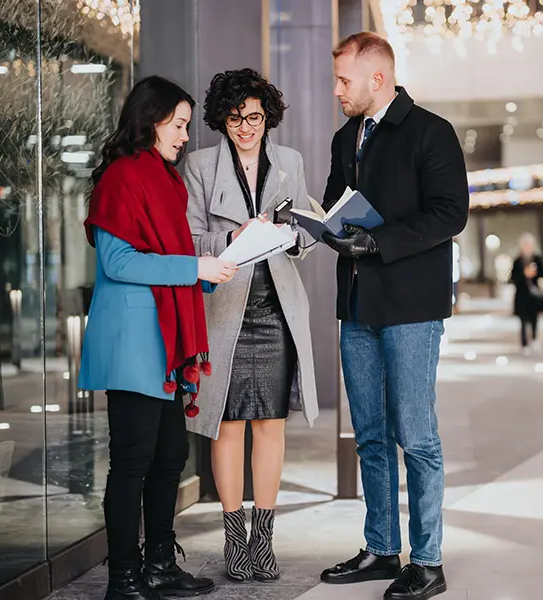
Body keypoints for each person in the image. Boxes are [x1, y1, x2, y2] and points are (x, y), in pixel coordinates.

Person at [319, 32, 470, 600]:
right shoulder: (345, 137)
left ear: (376, 78)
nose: (336, 90)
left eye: (343, 80)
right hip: (357, 305)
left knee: (416, 435)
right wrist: (316, 229)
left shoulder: (431, 132)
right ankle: (382, 549)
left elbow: (450, 212)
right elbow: (335, 208)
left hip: (410, 307)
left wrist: (377, 242)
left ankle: (427, 561)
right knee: (371, 438)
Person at [79, 76, 238, 600]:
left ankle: (160, 565)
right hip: (132, 342)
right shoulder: (123, 178)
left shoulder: (165, 180)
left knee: (170, 455)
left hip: (164, 341)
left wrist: (216, 253)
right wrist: (195, 266)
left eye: (188, 126)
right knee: (131, 461)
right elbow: (118, 262)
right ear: (150, 122)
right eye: (179, 124)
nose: (185, 136)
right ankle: (122, 578)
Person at [183, 68, 319, 583]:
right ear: (222, 118)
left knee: (271, 423)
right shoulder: (199, 165)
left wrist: (300, 232)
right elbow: (190, 240)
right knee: (227, 423)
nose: (246, 128)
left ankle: (263, 541)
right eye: (237, 118)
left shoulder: (289, 162)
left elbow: (306, 235)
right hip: (226, 308)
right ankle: (234, 541)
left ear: (269, 118)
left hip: (277, 308)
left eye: (255, 118)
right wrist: (233, 237)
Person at [510, 233, 543, 354]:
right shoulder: (517, 261)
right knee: (523, 320)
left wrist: (534, 275)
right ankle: (524, 343)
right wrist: (524, 275)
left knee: (534, 319)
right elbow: (513, 278)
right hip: (522, 295)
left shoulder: (537, 259)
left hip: (534, 295)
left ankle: (535, 338)